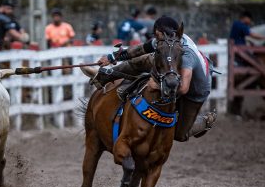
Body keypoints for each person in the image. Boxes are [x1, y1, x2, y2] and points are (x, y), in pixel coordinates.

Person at [85, 15, 216, 142]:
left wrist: (156, 86)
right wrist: (112, 58)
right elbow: (140, 49)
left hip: (194, 91)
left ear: (162, 33)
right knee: (142, 60)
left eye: (155, 34)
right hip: (173, 71)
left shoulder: (187, 55)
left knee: (179, 134)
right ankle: (104, 76)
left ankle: (205, 121)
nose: (154, 37)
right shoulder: (166, 40)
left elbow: (183, 88)